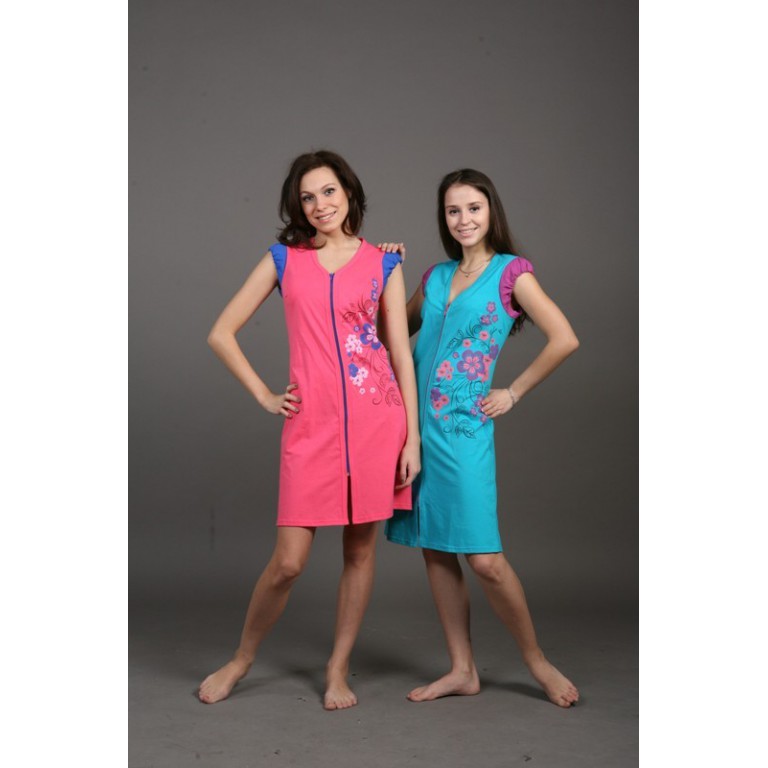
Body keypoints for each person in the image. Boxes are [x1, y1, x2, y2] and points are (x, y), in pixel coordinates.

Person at [198, 150, 420, 710]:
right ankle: (241, 660)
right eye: (307, 197)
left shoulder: (384, 263)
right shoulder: (284, 260)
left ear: (349, 192)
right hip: (311, 429)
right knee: (288, 562)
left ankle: (337, 668)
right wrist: (265, 395)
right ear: (297, 207)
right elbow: (221, 332)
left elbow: (400, 354)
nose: (320, 204)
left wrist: (412, 439)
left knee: (360, 553)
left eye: (328, 191)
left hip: (377, 423)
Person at [384, 168, 580, 707]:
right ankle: (462, 669)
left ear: (491, 211)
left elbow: (564, 338)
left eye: (473, 208)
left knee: (485, 559)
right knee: (435, 549)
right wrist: (385, 271)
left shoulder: (511, 273)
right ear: (443, 218)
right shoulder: (436, 277)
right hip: (413, 432)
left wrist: (513, 392)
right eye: (453, 210)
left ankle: (537, 663)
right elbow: (387, 333)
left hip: (463, 431)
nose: (463, 219)